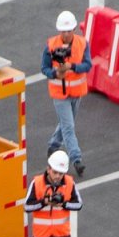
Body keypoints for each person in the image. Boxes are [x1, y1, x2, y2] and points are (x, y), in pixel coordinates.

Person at [43, 10, 92, 177]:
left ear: (74, 29)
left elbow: (87, 65)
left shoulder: (82, 44)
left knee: (65, 124)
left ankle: (53, 144)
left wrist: (72, 67)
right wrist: (55, 73)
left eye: (69, 30)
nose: (66, 34)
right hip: (59, 94)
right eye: (63, 31)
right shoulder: (50, 45)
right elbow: (44, 68)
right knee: (69, 126)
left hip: (76, 93)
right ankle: (76, 159)